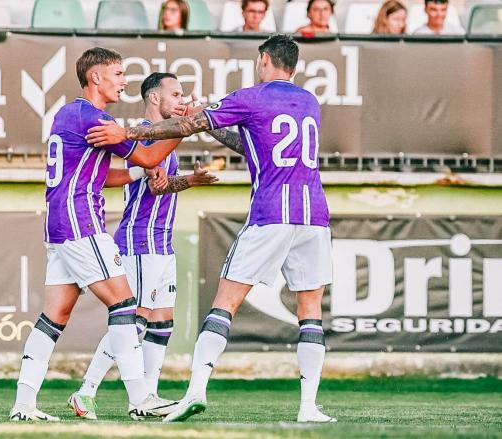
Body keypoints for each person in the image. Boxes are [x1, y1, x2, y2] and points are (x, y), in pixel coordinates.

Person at [86, 34, 336, 424]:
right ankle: (308, 407)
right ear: (296, 67)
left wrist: (129, 134)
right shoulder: (309, 102)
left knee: (224, 303)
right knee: (311, 312)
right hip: (314, 215)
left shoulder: (251, 96)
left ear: (264, 60)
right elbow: (255, 144)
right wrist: (209, 126)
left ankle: (194, 392)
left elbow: (187, 126)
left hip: (270, 213)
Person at [9, 47, 190, 422]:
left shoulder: (68, 113)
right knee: (125, 305)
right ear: (96, 77)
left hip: (59, 226)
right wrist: (186, 125)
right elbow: (149, 156)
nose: (124, 81)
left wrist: (141, 168)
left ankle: (23, 404)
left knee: (52, 317)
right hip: (81, 222)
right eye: (119, 73)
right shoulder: (95, 118)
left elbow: (103, 175)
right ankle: (141, 397)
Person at [67, 73, 219, 420]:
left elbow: (162, 185)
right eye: (176, 94)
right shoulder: (139, 136)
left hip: (162, 242)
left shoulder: (164, 137)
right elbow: (149, 185)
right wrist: (182, 134)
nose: (182, 100)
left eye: (183, 95)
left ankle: (146, 398)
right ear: (154, 98)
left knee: (162, 321)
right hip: (139, 241)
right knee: (132, 322)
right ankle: (85, 391)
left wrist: (190, 180)